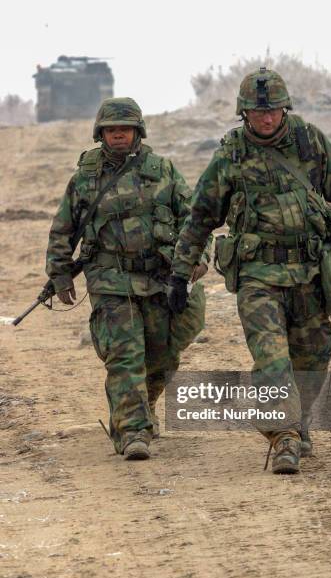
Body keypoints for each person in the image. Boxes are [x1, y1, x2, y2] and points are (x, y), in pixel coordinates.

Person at [168, 68, 331, 475]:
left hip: (310, 272)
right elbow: (199, 219)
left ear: (285, 109)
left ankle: (296, 422)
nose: (267, 119)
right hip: (258, 276)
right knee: (272, 361)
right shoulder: (229, 156)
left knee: (312, 359)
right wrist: (180, 273)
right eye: (257, 113)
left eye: (274, 111)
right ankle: (283, 436)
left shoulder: (309, 141)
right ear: (243, 113)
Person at [46, 97, 210, 460]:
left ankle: (144, 405)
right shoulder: (86, 178)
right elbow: (63, 229)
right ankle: (133, 431)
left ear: (138, 132)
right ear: (100, 134)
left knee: (163, 355)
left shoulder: (164, 170)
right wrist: (59, 273)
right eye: (111, 130)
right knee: (124, 355)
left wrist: (197, 260)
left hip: (158, 279)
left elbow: (194, 220)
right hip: (110, 281)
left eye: (125, 129)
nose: (118, 135)